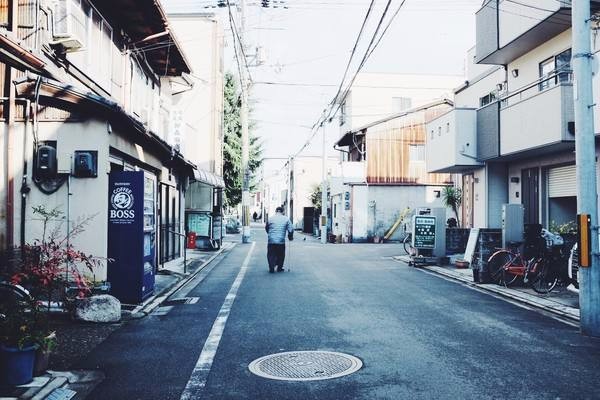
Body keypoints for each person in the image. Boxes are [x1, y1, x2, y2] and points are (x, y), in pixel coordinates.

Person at [265, 206, 293, 273]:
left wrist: (270, 234)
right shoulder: (286, 219)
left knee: (271, 254)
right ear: (283, 212)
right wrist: (290, 237)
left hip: (271, 240)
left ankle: (271, 267)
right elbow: (291, 229)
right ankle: (279, 268)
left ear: (276, 211)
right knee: (281, 254)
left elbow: (267, 228)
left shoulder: (270, 219)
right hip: (281, 241)